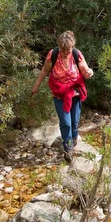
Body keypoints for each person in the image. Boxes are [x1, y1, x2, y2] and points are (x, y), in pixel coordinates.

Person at [31, 31, 94, 162]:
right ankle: (68, 148)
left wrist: (89, 73)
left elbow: (85, 71)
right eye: (63, 49)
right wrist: (36, 85)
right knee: (65, 122)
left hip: (75, 94)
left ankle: (74, 137)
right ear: (59, 47)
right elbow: (44, 71)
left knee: (74, 122)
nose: (65, 52)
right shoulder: (53, 55)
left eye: (68, 50)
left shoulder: (77, 54)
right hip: (59, 94)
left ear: (72, 47)